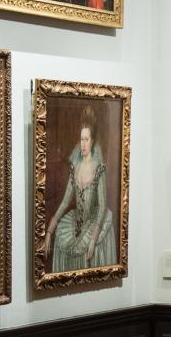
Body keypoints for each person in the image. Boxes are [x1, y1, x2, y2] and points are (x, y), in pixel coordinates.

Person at [41, 106, 116, 272]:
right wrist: (49, 231)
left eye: (87, 140)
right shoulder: (75, 167)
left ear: (93, 141)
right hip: (75, 225)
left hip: (93, 224)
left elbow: (102, 206)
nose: (83, 144)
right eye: (81, 139)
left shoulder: (99, 168)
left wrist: (93, 239)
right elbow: (66, 201)